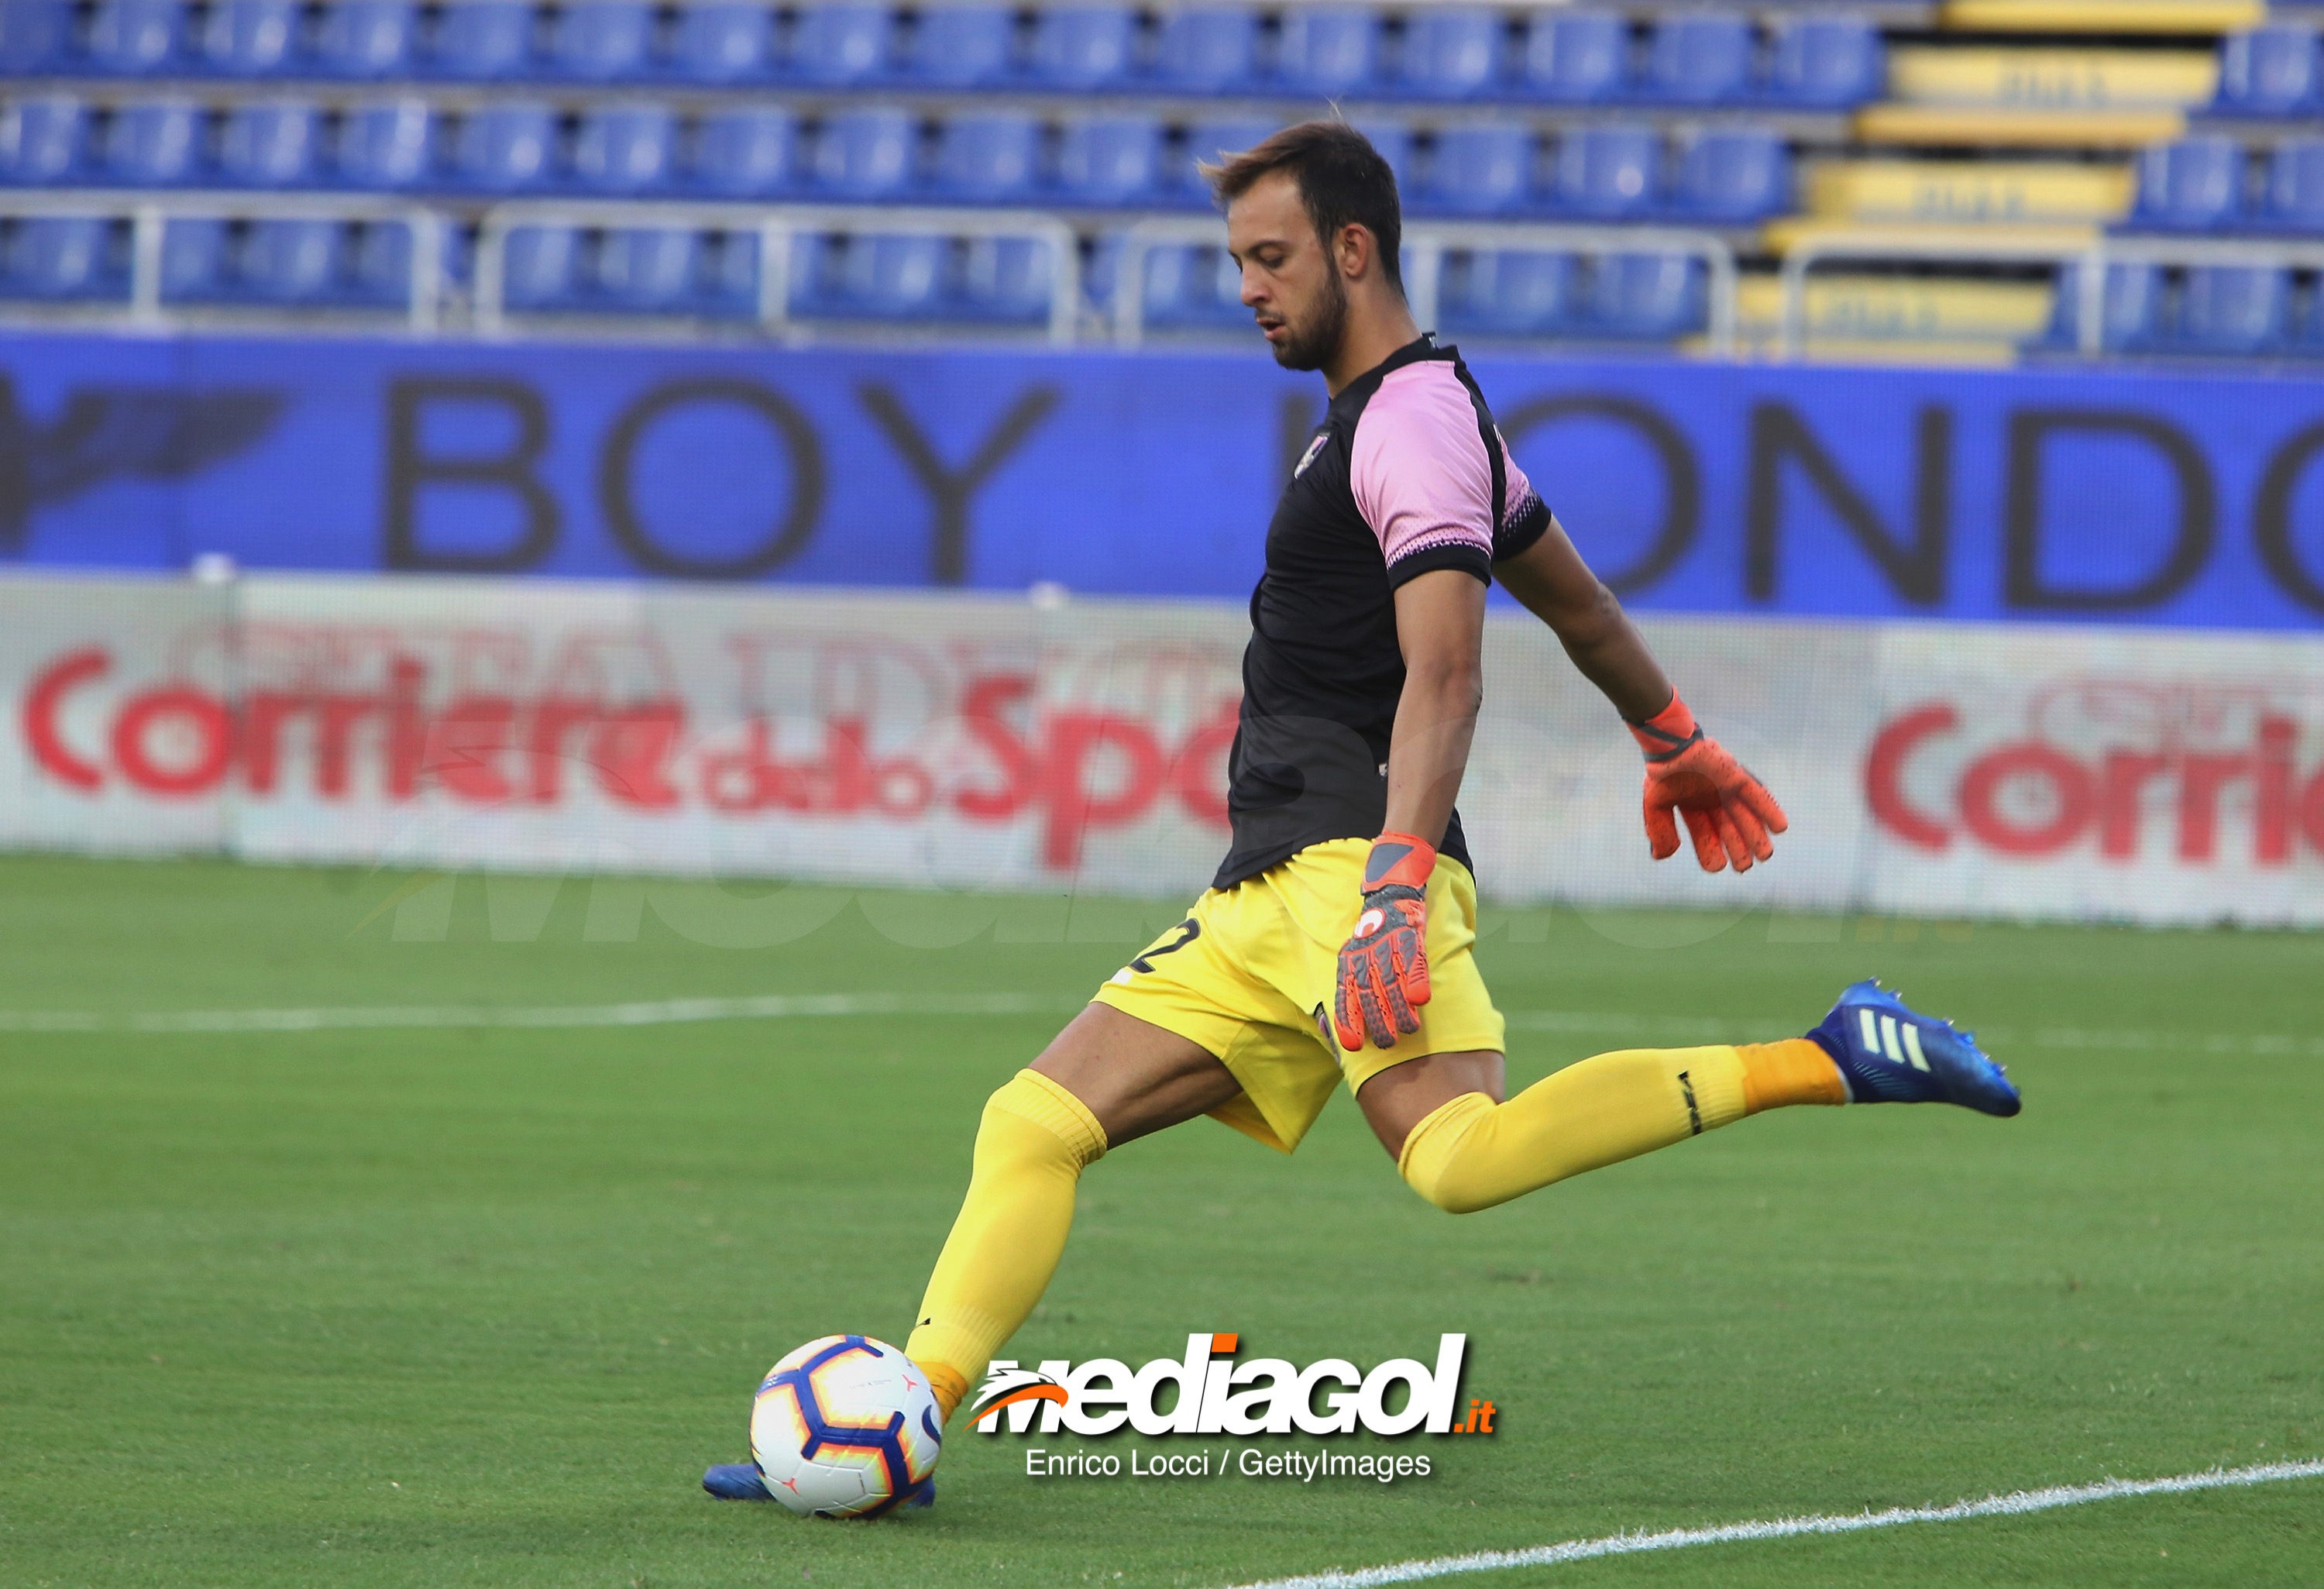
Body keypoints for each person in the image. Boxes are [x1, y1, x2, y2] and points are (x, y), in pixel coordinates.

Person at [704, 121, 2018, 1505]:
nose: (1250, 288)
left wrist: (1397, 880)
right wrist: (1674, 737)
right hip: (1262, 894)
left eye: (1270, 259)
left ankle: (1830, 1055)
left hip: (1348, 875)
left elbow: (1451, 669)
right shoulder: (1400, 420)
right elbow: (1580, 602)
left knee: (1459, 1163)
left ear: (1354, 249)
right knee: (1031, 1123)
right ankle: (905, 1423)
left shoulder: (1413, 422)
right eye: (1237, 263)